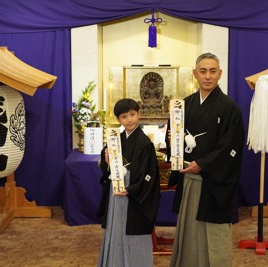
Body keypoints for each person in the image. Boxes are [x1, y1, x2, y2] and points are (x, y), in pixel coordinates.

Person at [166, 53, 245, 267]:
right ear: (195, 74)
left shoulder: (229, 108)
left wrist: (202, 164)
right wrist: (172, 139)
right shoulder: (183, 105)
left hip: (213, 183)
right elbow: (173, 137)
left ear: (220, 74)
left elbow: (232, 146)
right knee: (189, 230)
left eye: (212, 71)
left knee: (213, 233)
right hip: (188, 180)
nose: (207, 76)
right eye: (203, 71)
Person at [97, 98, 161, 267]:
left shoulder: (145, 143)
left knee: (132, 233)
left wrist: (131, 189)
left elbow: (150, 175)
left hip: (133, 194)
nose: (129, 120)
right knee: (115, 230)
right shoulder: (115, 140)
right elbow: (106, 169)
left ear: (138, 114)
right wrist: (107, 162)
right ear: (119, 120)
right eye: (124, 117)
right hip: (116, 191)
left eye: (132, 114)